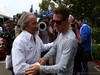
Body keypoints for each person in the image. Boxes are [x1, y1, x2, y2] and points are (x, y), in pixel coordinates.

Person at [25, 5, 78, 75]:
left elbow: (62, 67)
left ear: (66, 21)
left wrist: (40, 69)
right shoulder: (61, 33)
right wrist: (44, 58)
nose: (55, 25)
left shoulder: (70, 40)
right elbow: (54, 48)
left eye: (58, 22)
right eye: (54, 21)